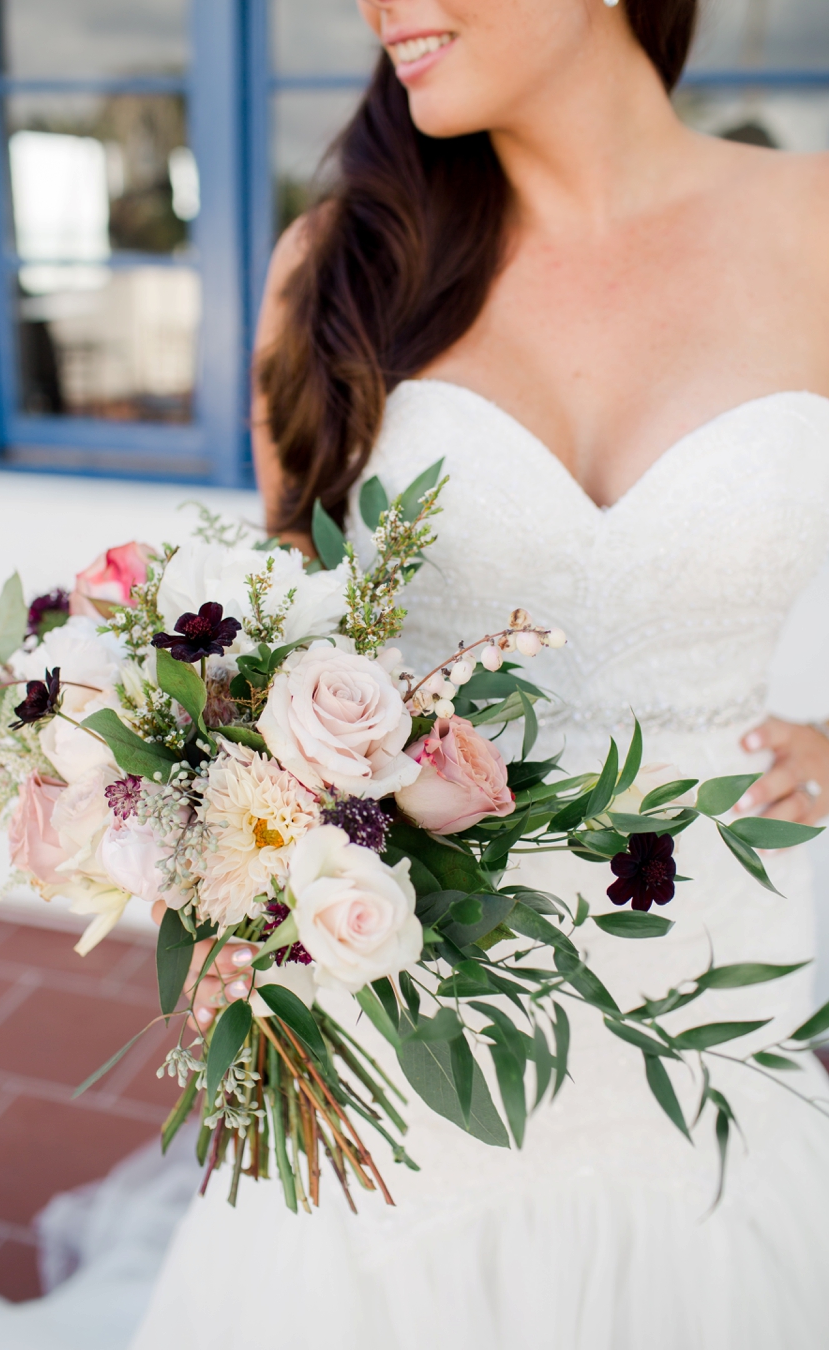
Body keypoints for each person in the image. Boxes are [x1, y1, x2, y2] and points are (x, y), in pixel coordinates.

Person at [130, 2, 829, 1347]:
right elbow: (273, 647)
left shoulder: (813, 221)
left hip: (711, 971)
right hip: (411, 979)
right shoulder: (334, 268)